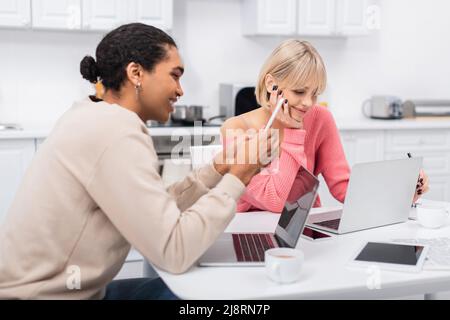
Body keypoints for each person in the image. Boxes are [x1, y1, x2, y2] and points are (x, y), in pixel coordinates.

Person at [0, 23, 277, 300]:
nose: (180, 91)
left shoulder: (93, 114)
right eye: (175, 76)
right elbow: (174, 251)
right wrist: (238, 177)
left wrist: (219, 168)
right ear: (136, 73)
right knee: (208, 295)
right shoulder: (115, 130)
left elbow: (153, 209)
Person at [221, 39, 429, 214]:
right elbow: (277, 201)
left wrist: (402, 191)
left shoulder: (320, 119)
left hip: (302, 230)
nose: (308, 103)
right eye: (300, 92)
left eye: (315, 94)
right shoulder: (236, 128)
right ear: (271, 84)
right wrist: (293, 131)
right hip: (249, 233)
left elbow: (344, 188)